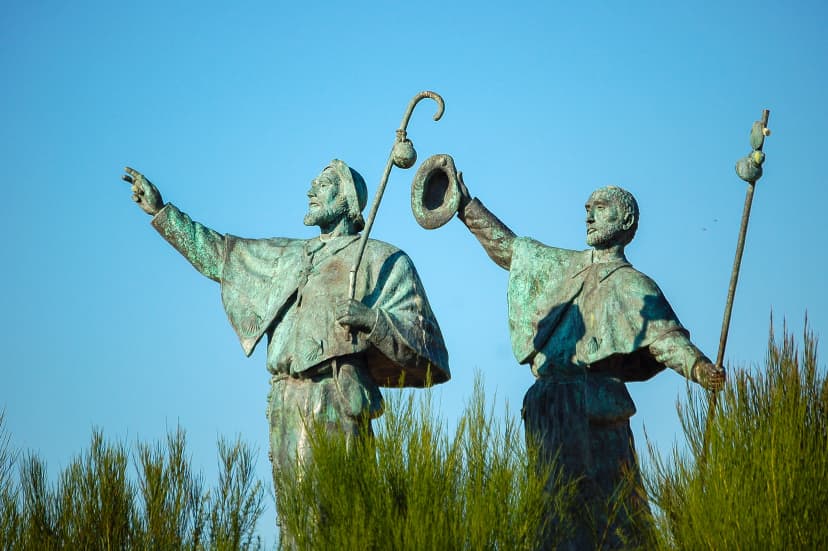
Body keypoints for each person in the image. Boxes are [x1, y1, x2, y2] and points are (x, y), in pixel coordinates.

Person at [121, 160, 450, 480]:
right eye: (314, 185)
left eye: (323, 185)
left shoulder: (381, 258)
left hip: (336, 392)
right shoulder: (286, 255)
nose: (311, 191)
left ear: (348, 199)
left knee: (335, 505)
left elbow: (425, 337)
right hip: (285, 400)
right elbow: (221, 256)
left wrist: (372, 319)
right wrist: (162, 213)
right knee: (293, 512)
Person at [454, 178, 724, 549]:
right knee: (552, 510)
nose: (589, 216)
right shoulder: (564, 266)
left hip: (596, 404)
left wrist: (700, 368)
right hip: (549, 404)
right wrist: (466, 207)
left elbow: (666, 340)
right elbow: (511, 249)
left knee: (612, 513)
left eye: (600, 208)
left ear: (626, 220)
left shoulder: (635, 285)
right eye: (587, 209)